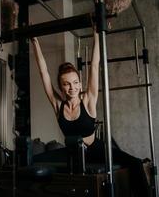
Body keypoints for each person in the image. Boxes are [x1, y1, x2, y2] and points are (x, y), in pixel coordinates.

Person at [30, 30, 149, 196]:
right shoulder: (58, 105)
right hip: (72, 153)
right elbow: (44, 73)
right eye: (66, 84)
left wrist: (96, 33)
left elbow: (94, 65)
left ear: (80, 84)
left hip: (95, 149)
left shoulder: (88, 99)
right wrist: (35, 42)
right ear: (61, 87)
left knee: (135, 163)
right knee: (32, 162)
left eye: (75, 82)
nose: (72, 87)